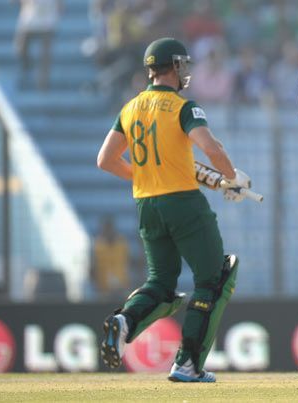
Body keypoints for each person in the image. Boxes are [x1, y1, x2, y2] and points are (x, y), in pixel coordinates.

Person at [96, 37, 251, 383]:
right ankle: (188, 364)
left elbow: (105, 159)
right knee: (214, 278)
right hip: (183, 202)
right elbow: (211, 148)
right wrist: (233, 178)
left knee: (161, 283)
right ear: (177, 66)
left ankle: (126, 321)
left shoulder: (130, 107)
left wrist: (145, 176)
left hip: (147, 204)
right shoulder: (183, 107)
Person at [14, 0, 63, 90]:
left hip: (48, 21)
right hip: (29, 18)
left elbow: (60, 5)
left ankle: (42, 84)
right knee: (20, 47)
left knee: (45, 56)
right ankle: (26, 65)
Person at [91, 215, 129, 296]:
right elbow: (93, 266)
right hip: (103, 288)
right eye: (105, 228)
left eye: (109, 228)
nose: (108, 230)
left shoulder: (121, 243)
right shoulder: (98, 244)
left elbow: (127, 263)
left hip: (120, 287)